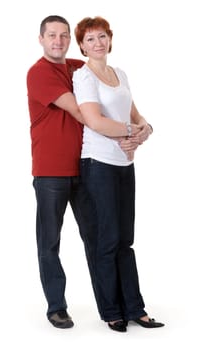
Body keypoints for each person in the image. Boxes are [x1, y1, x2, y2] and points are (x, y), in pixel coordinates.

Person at [26, 15, 138, 330]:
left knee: (99, 239)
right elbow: (82, 112)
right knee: (50, 242)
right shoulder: (38, 73)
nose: (58, 41)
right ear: (41, 39)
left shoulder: (78, 66)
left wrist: (137, 128)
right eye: (52, 35)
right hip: (51, 172)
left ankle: (115, 306)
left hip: (85, 167)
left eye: (63, 35)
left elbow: (104, 83)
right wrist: (128, 135)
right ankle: (56, 307)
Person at [73, 16, 165, 332]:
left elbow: (135, 115)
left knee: (126, 240)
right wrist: (129, 132)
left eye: (102, 37)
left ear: (110, 39)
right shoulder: (84, 77)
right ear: (82, 46)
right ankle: (112, 311)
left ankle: (135, 308)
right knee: (107, 240)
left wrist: (144, 131)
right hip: (97, 164)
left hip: (125, 164)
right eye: (90, 39)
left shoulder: (120, 74)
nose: (97, 43)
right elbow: (94, 121)